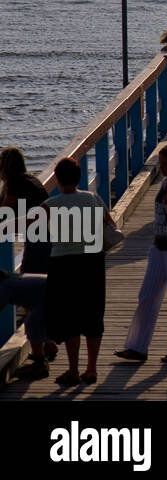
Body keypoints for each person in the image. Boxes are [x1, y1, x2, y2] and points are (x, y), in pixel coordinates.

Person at [116, 143, 167, 365]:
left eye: (166, 165)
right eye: (160, 164)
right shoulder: (166, 183)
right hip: (159, 246)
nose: (162, 169)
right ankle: (137, 346)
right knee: (147, 296)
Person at [44, 157, 113, 386]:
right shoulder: (92, 198)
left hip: (64, 264)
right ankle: (91, 368)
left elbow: (27, 226)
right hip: (92, 262)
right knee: (93, 313)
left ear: (57, 179)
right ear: (79, 177)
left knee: (70, 316)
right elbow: (109, 222)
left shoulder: (51, 205)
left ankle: (73, 369)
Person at [0, 147, 53, 378]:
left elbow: (3, 211)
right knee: (38, 296)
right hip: (47, 240)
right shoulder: (30, 180)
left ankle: (42, 353)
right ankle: (46, 343)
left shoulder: (15, 184)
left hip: (39, 243)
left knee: (30, 294)